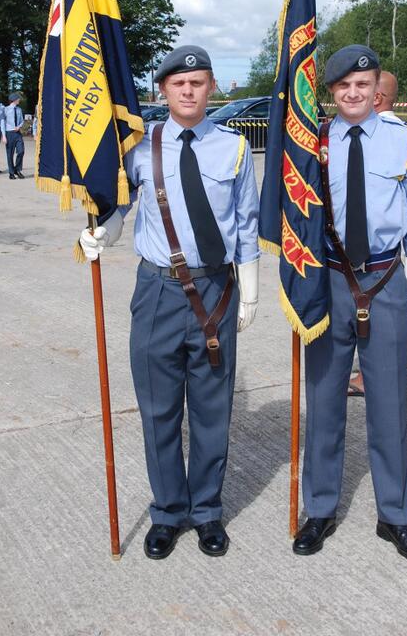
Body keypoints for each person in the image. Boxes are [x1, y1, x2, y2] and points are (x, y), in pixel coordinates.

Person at [79, 45, 260, 560]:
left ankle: (206, 512)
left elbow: (245, 225)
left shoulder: (235, 150)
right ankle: (168, 511)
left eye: (198, 82)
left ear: (211, 89)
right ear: (162, 89)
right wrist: (104, 233)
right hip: (157, 292)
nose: (188, 90)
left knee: (211, 410)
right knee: (159, 410)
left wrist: (250, 291)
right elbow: (118, 202)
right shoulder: (139, 146)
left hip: (216, 292)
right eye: (178, 83)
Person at [293, 45, 407, 563]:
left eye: (363, 85)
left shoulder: (404, 142)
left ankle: (395, 516)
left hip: (384, 277)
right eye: (343, 87)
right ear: (331, 92)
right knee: (326, 399)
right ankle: (321, 508)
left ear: (377, 89)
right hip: (329, 280)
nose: (353, 93)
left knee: (389, 402)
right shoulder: (314, 144)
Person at [348, 71, 407, 397]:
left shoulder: (400, 139)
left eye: (364, 87)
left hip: (380, 262)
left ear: (377, 97)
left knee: (371, 318)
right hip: (376, 262)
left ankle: (372, 376)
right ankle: (406, 355)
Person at [2, 92, 25, 179]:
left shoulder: (19, 109)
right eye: (18, 99)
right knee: (10, 153)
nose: (19, 100)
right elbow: (2, 123)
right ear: (14, 100)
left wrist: (19, 126)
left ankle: (17, 169)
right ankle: (11, 172)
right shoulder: (6, 109)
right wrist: (4, 136)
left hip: (17, 133)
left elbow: (22, 121)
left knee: (21, 151)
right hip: (9, 133)